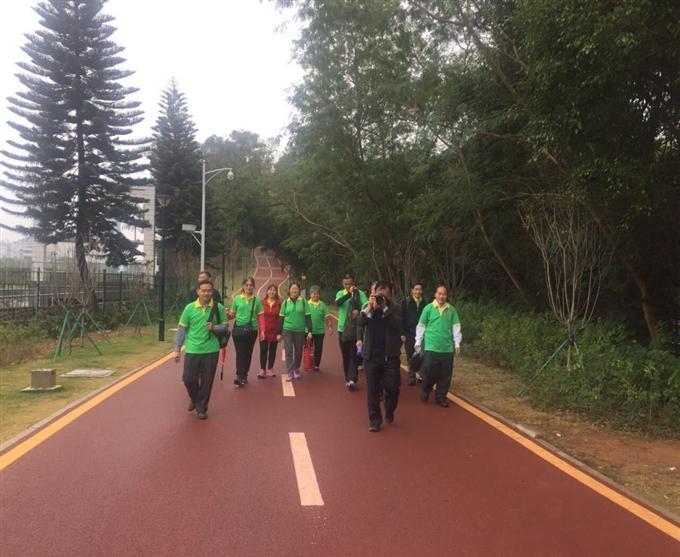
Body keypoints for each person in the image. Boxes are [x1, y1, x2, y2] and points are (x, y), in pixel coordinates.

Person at [173, 279, 228, 420]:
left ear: (212, 292)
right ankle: (195, 398)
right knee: (188, 379)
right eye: (203, 291)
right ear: (198, 291)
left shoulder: (218, 308)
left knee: (207, 381)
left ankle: (202, 408)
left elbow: (225, 327)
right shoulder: (189, 308)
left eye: (209, 291)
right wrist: (177, 349)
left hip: (211, 349)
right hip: (192, 349)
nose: (206, 293)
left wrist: (214, 327)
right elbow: (182, 329)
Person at [357, 281, 402, 432]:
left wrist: (384, 308)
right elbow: (360, 322)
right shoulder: (369, 306)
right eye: (378, 294)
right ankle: (374, 420)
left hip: (390, 355)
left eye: (384, 295)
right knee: (372, 390)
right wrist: (370, 307)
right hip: (371, 355)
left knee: (392, 387)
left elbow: (398, 324)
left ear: (390, 295)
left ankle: (389, 408)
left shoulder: (395, 308)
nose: (381, 297)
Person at [415, 285, 462, 408]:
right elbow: (421, 326)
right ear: (435, 295)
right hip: (431, 347)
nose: (442, 296)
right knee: (431, 372)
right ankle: (426, 389)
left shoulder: (451, 310)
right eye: (439, 294)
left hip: (447, 348)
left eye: (444, 294)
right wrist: (418, 342)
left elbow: (456, 327)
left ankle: (441, 397)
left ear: (446, 296)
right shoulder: (428, 308)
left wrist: (457, 343)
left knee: (445, 375)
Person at [228, 276, 264, 386]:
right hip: (238, 330)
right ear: (243, 286)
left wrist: (262, 331)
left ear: (253, 287)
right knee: (240, 353)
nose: (248, 287)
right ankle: (239, 376)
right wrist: (226, 315)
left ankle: (244, 375)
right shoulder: (237, 299)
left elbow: (261, 316)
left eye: (251, 285)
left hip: (252, 331)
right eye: (246, 285)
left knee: (248, 353)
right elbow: (232, 314)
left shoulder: (257, 301)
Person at [335, 273, 367, 390]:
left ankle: (352, 378)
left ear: (353, 283)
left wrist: (359, 310)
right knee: (346, 355)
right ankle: (347, 378)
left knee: (353, 354)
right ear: (343, 284)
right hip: (342, 329)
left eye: (350, 284)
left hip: (355, 328)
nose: (348, 286)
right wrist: (349, 294)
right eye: (345, 284)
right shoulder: (340, 293)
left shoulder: (360, 293)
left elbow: (366, 305)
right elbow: (338, 303)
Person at [277, 282, 313, 381]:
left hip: (300, 331)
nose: (294, 290)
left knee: (298, 351)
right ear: (289, 290)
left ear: (299, 290)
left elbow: (308, 317)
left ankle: (296, 369)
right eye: (292, 288)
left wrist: (310, 331)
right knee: (288, 351)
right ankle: (290, 371)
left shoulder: (303, 302)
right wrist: (279, 333)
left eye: (296, 288)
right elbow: (281, 318)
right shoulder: (285, 302)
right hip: (287, 330)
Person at [401, 281, 428, 386]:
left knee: (422, 355)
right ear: (412, 290)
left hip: (422, 334)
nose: (418, 291)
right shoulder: (406, 302)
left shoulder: (426, 303)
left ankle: (421, 375)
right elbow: (401, 318)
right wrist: (402, 333)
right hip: (409, 333)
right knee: (410, 355)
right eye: (416, 289)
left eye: (420, 289)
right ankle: (411, 376)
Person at [257, 284, 282, 378]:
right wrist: (261, 329)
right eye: (270, 290)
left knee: (272, 351)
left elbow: (281, 318)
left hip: (275, 330)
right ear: (267, 291)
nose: (272, 292)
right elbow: (259, 316)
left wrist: (280, 332)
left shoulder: (279, 304)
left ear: (276, 292)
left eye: (274, 290)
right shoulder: (262, 303)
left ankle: (270, 369)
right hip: (263, 331)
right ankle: (262, 369)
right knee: (263, 350)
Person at [307, 285, 333, 371]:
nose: (315, 295)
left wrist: (330, 327)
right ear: (310, 295)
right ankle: (309, 363)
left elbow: (327, 317)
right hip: (308, 331)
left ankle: (316, 365)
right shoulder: (306, 304)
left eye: (317, 294)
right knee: (309, 349)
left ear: (319, 295)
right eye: (313, 294)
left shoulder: (323, 305)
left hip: (320, 331)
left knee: (318, 349)